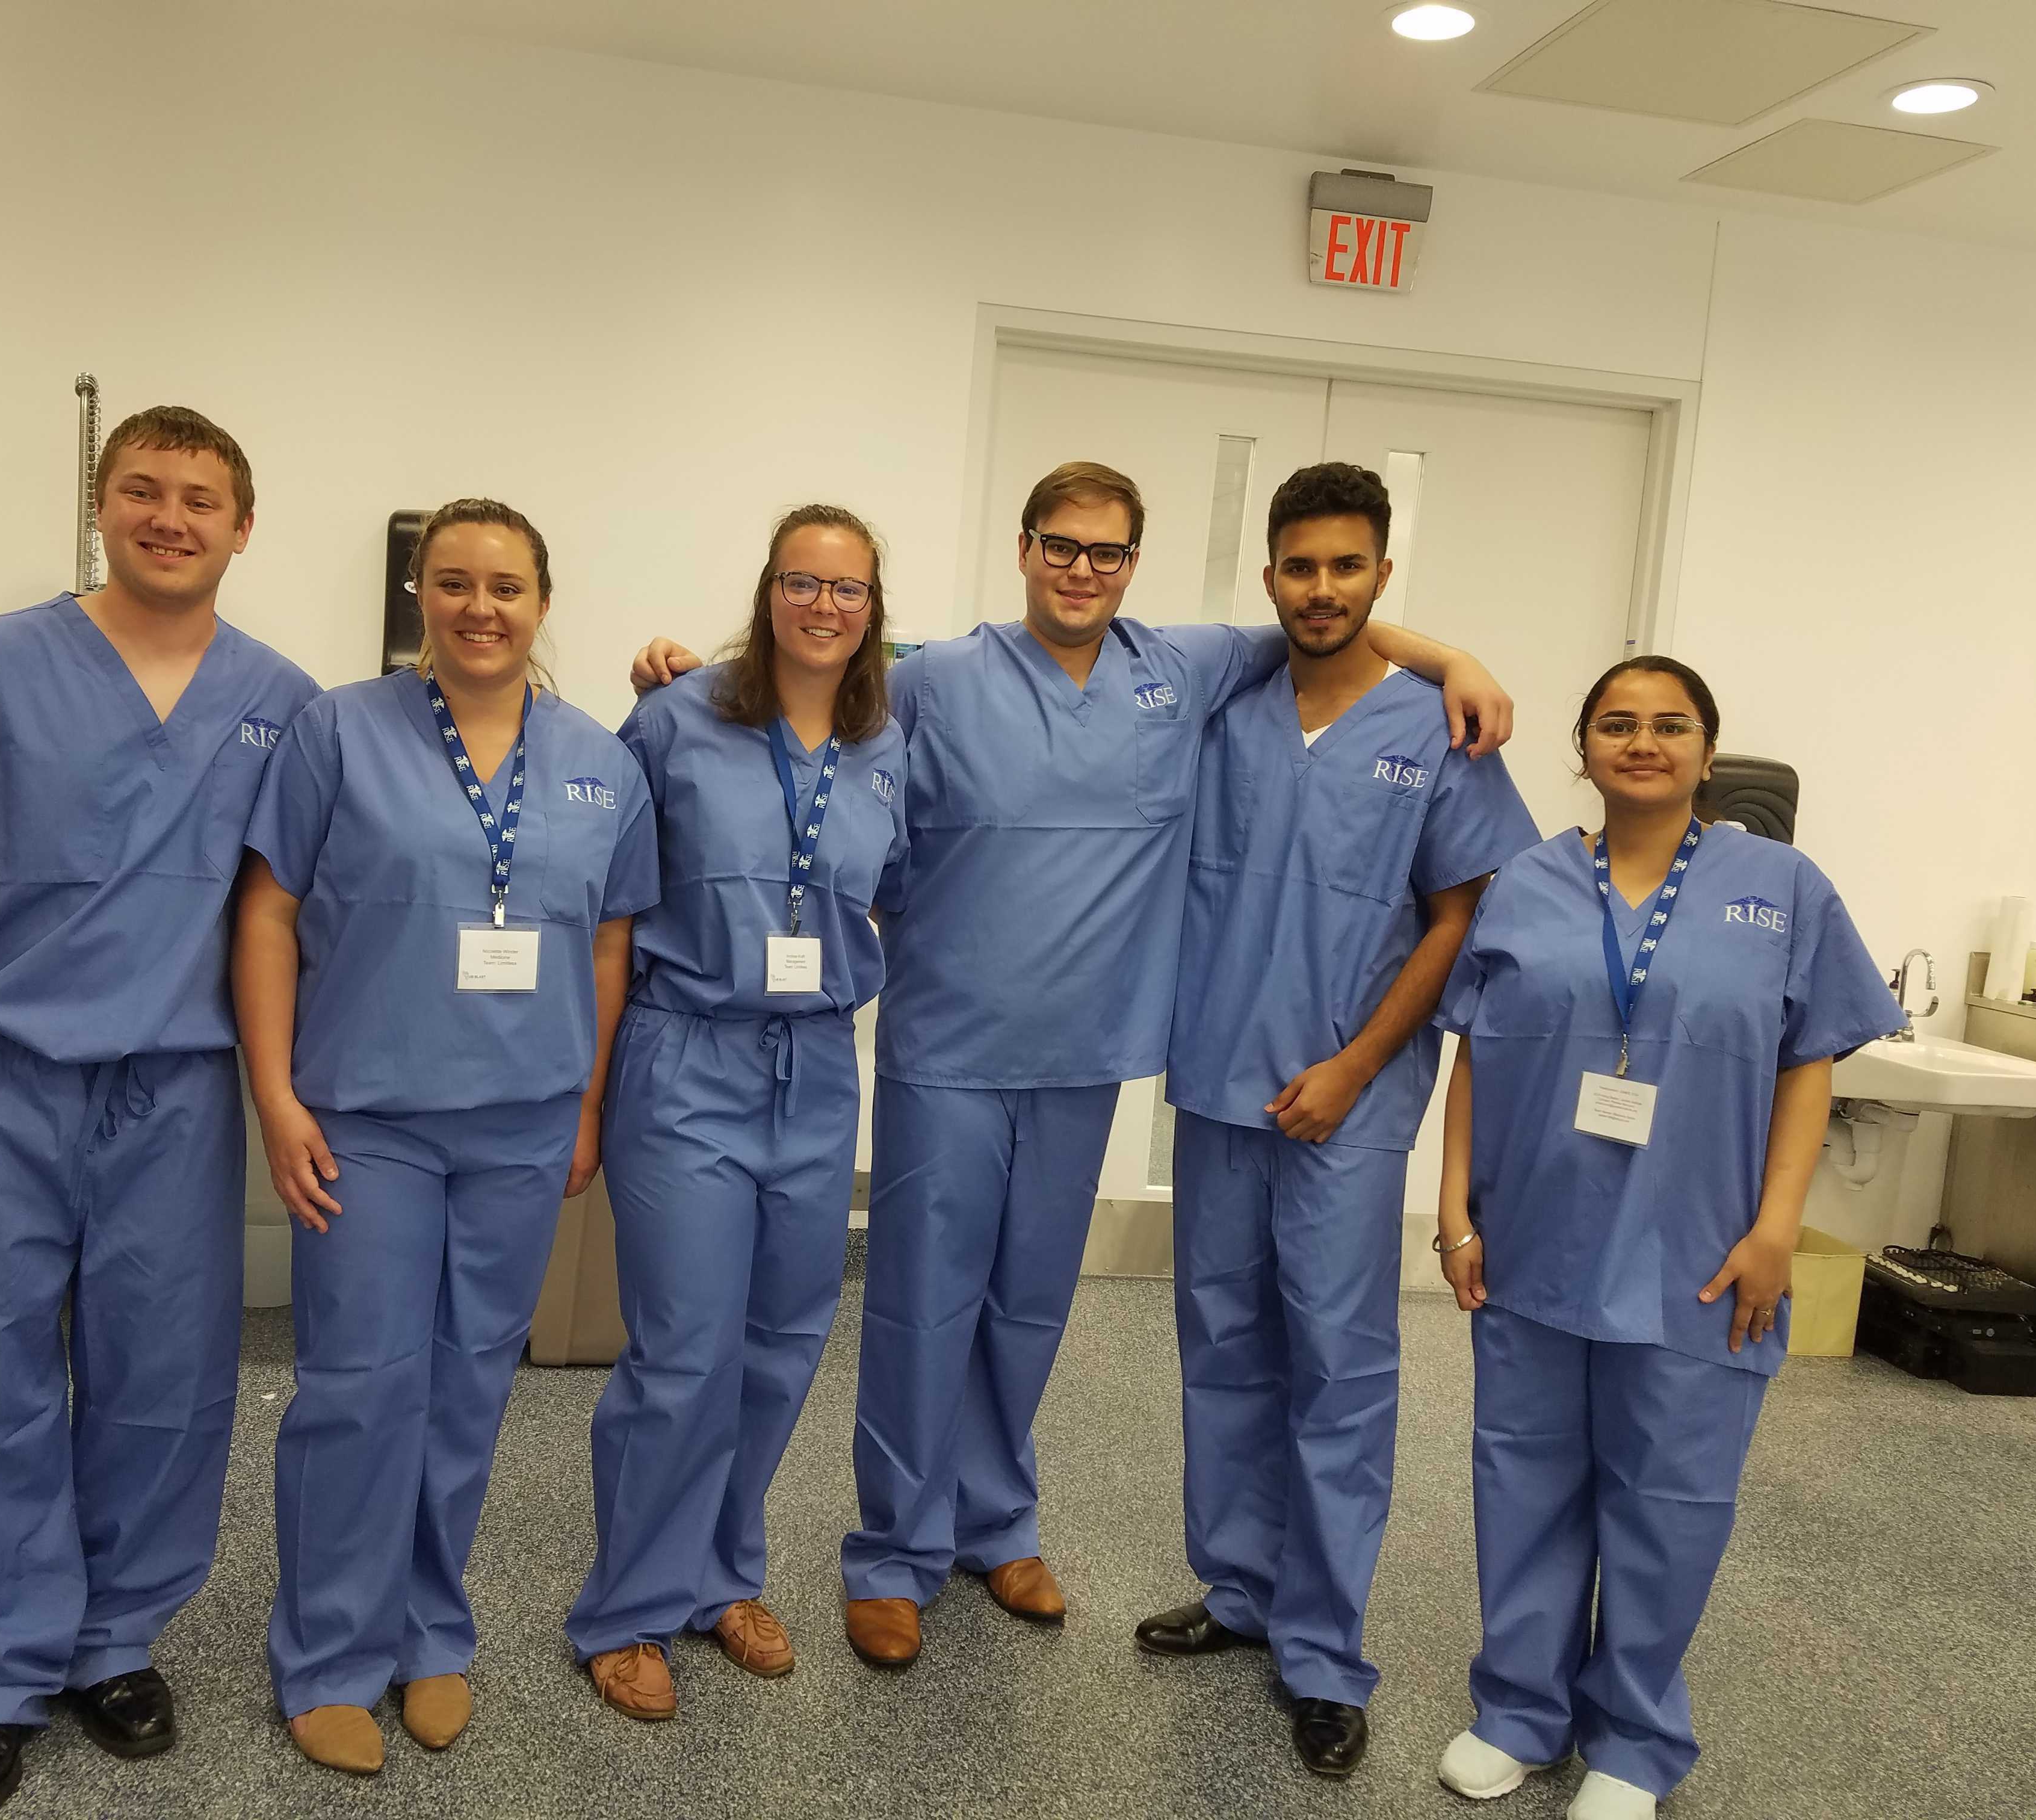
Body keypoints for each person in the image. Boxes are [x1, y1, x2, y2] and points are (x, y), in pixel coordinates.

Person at [630, 460, 1514, 1669]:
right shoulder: (939, 678)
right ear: (1025, 548)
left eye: (1107, 551)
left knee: (1030, 1306)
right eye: (1061, 545)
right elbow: (812, 682)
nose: (1082, 569)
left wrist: (1455, 660)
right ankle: (894, 1552)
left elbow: (1328, 626)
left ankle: (995, 1524)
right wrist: (689, 676)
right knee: (922, 1305)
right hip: (950, 1045)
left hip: (1086, 1053)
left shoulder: (1183, 667)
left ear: (1134, 564)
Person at [0, 407, 316, 1819]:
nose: (171, 517)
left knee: (164, 1377)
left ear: (244, 525)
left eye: (201, 498)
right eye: (143, 490)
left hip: (176, 1084)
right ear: (103, 507)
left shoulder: (281, 699)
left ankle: (112, 1641)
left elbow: (289, 898)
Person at [1427, 657, 1901, 1819]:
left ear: (1707, 749)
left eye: (1671, 724)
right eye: (1618, 723)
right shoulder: (1528, 881)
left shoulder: (1782, 888)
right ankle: (1520, 1712)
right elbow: (1477, 1049)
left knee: (1670, 1497)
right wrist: (1453, 1210)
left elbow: (1810, 1059)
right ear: (1583, 748)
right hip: (1536, 1239)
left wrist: (1778, 1228)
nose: (1644, 742)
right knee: (1525, 1479)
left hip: (1698, 1251)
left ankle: (1633, 1742)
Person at [235, 498, 657, 1775]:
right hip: (369, 1118)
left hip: (522, 1124)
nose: (482, 607)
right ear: (421, 592)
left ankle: (430, 1633)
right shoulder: (337, 732)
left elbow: (608, 944)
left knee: (469, 1390)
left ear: (543, 603)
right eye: (456, 582)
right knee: (362, 1388)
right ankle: (328, 1653)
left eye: (507, 587)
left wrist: (584, 1104)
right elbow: (269, 914)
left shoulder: (601, 763)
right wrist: (277, 1097)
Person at [1137, 463, 1540, 1777]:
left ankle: (1321, 1652)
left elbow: (1460, 915)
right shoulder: (1228, 703)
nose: (1323, 589)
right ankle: (1242, 1590)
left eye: (1347, 566)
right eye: (1301, 567)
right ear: (1268, 576)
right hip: (1221, 1081)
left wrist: (1358, 1067)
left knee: (1338, 1367)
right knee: (1222, 1342)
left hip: (1346, 1104)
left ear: (1382, 574)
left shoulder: (1437, 727)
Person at [565, 505, 910, 1721]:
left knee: (781, 1341)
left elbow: (891, 893)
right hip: (688, 1056)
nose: (825, 606)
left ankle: (721, 1576)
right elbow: (606, 899)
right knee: (683, 1349)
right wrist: (588, 1090)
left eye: (849, 589)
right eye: (802, 582)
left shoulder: (885, 745)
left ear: (873, 611)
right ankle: (627, 1609)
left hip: (814, 1065)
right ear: (768, 592)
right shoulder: (677, 717)